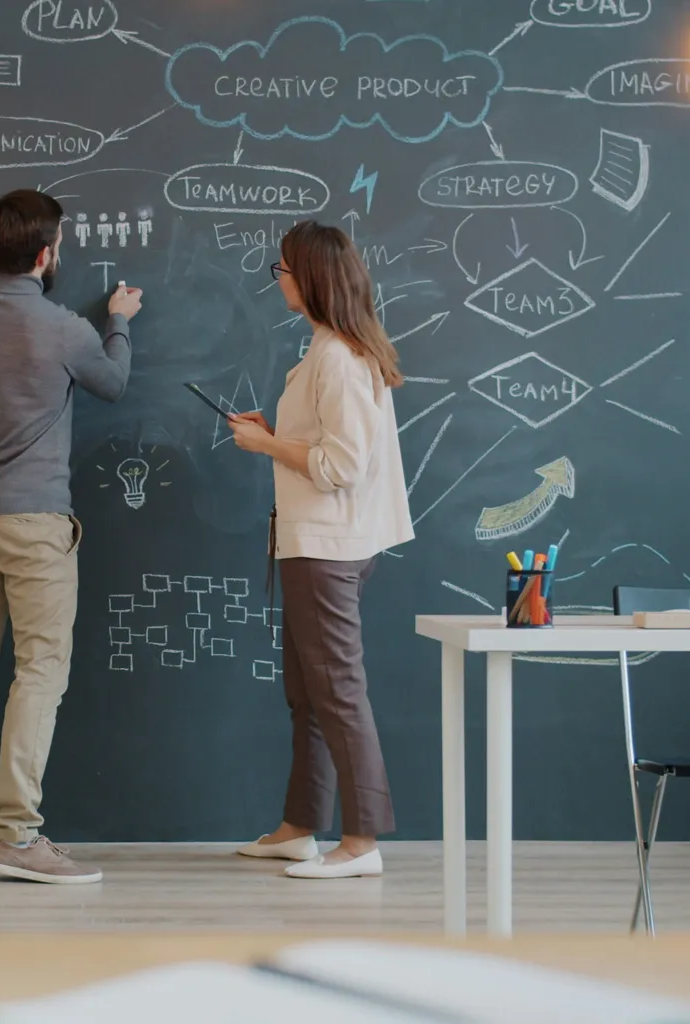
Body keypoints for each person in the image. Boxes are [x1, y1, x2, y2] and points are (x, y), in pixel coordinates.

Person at [0, 189, 143, 885]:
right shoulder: (63, 326)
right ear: (45, 255)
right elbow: (114, 383)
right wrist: (121, 321)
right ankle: (17, 834)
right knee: (40, 671)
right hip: (36, 520)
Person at [226, 220, 414, 880]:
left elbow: (341, 466)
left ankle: (362, 843)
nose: (277, 280)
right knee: (308, 692)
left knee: (336, 691)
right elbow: (334, 449)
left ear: (309, 277)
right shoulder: (332, 350)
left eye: (281, 270)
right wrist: (277, 432)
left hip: (327, 547)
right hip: (318, 541)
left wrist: (266, 446)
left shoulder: (335, 354)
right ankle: (299, 827)